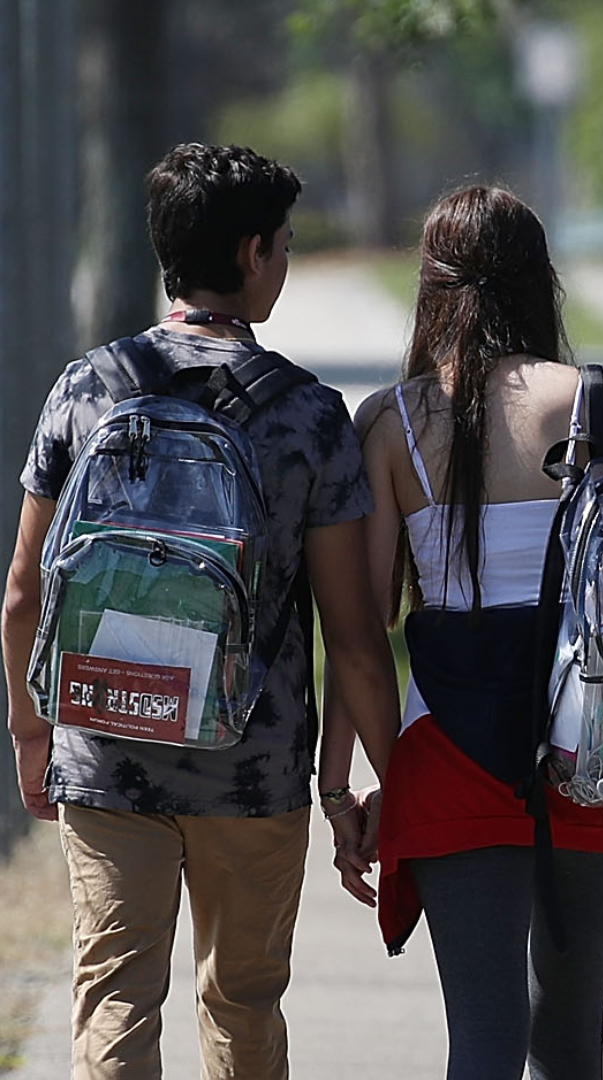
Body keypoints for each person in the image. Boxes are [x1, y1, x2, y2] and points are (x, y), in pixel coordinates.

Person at [0, 142, 400, 1080]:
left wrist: (30, 734)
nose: (289, 261)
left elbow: (24, 591)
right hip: (252, 770)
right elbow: (353, 634)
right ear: (254, 253)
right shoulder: (307, 416)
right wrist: (359, 792)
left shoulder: (88, 388)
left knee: (112, 1000)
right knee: (243, 1001)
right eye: (287, 244)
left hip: (102, 744)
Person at [348, 185, 603, 1080]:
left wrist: (374, 779)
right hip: (599, 755)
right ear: (541, 282)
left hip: (450, 755)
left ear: (432, 287)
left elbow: (364, 636)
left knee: (482, 1042)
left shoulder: (392, 421)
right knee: (570, 1040)